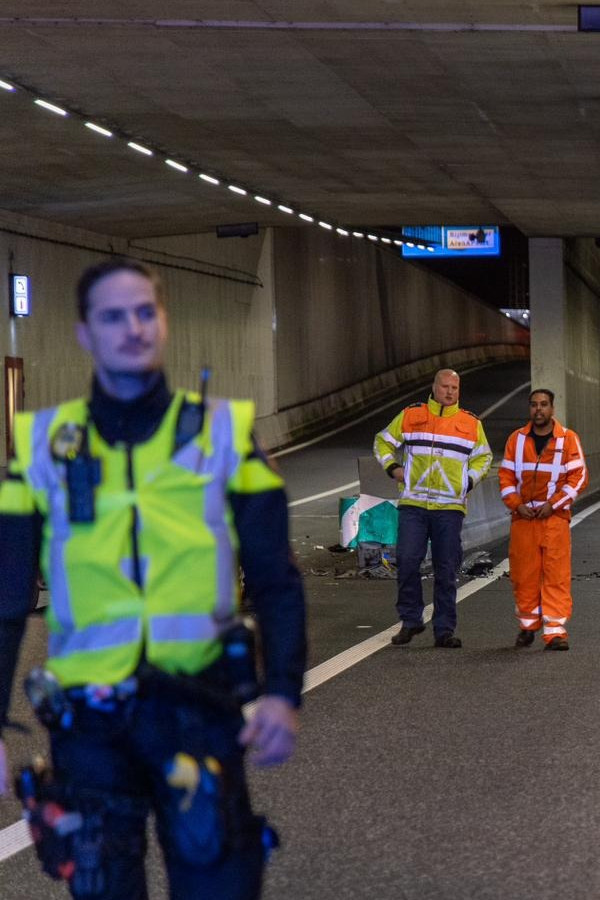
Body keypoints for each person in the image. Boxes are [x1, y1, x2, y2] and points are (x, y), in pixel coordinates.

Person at [0, 258, 306, 899]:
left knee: (217, 880)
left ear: (164, 323)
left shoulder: (227, 434)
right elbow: (4, 596)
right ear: (85, 332)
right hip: (88, 726)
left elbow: (276, 578)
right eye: (114, 316)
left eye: (146, 311)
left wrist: (282, 692)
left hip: (200, 709)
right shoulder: (40, 447)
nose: (133, 327)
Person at [373, 369, 492, 648]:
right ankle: (411, 620)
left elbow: (484, 458)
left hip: (449, 508)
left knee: (446, 569)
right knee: (406, 561)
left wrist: (468, 481)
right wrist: (393, 468)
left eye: (454, 388)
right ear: (434, 387)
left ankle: (444, 630)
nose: (449, 392)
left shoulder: (470, 423)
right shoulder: (412, 415)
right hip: (413, 504)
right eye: (444, 386)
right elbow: (382, 442)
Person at [499, 389, 587, 650]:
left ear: (552, 409)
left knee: (555, 575)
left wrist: (554, 504)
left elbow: (579, 478)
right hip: (523, 519)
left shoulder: (567, 439)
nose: (539, 409)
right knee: (523, 575)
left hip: (554, 520)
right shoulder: (516, 440)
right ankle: (527, 627)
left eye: (544, 405)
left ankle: (555, 632)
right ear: (530, 409)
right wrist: (517, 504)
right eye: (534, 405)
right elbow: (505, 478)